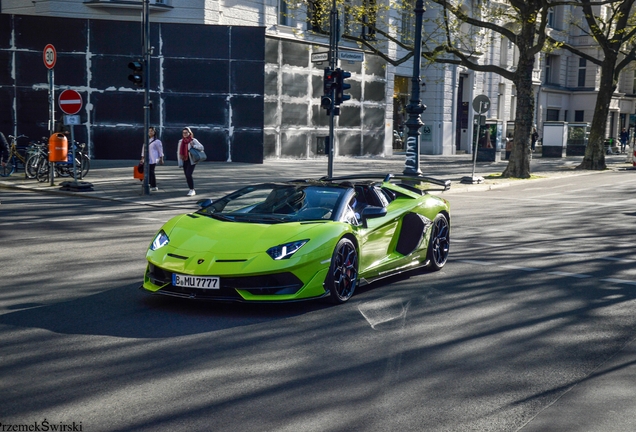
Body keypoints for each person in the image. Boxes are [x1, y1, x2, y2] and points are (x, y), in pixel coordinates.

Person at [177, 127, 204, 196]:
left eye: (186, 132)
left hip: (192, 160)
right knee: (186, 175)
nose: (185, 134)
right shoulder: (181, 141)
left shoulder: (193, 140)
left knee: (189, 174)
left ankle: (192, 190)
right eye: (183, 133)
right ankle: (190, 189)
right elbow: (178, 151)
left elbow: (202, 147)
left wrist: (194, 146)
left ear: (189, 133)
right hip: (184, 159)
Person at [140, 126, 164, 191]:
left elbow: (160, 150)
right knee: (147, 171)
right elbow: (143, 149)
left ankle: (153, 185)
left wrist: (161, 158)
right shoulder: (146, 140)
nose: (150, 132)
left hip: (153, 158)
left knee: (151, 171)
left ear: (154, 132)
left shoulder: (157, 141)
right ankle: (148, 183)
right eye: (149, 131)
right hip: (147, 158)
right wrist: (142, 158)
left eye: (151, 131)